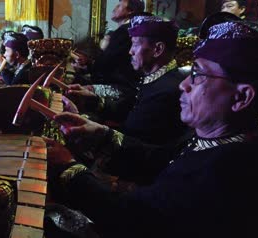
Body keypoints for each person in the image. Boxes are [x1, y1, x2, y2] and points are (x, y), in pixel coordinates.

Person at [47, 18, 258, 238]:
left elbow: (133, 219)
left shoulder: (230, 173)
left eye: (198, 75)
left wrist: (70, 170)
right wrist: (99, 133)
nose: (184, 84)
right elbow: (161, 158)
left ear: (241, 97)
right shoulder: (223, 141)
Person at [67, 15, 187, 146]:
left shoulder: (167, 91)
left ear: (157, 49)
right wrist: (92, 100)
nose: (130, 51)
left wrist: (97, 130)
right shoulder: (156, 78)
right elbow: (128, 108)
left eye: (135, 44)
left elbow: (135, 140)